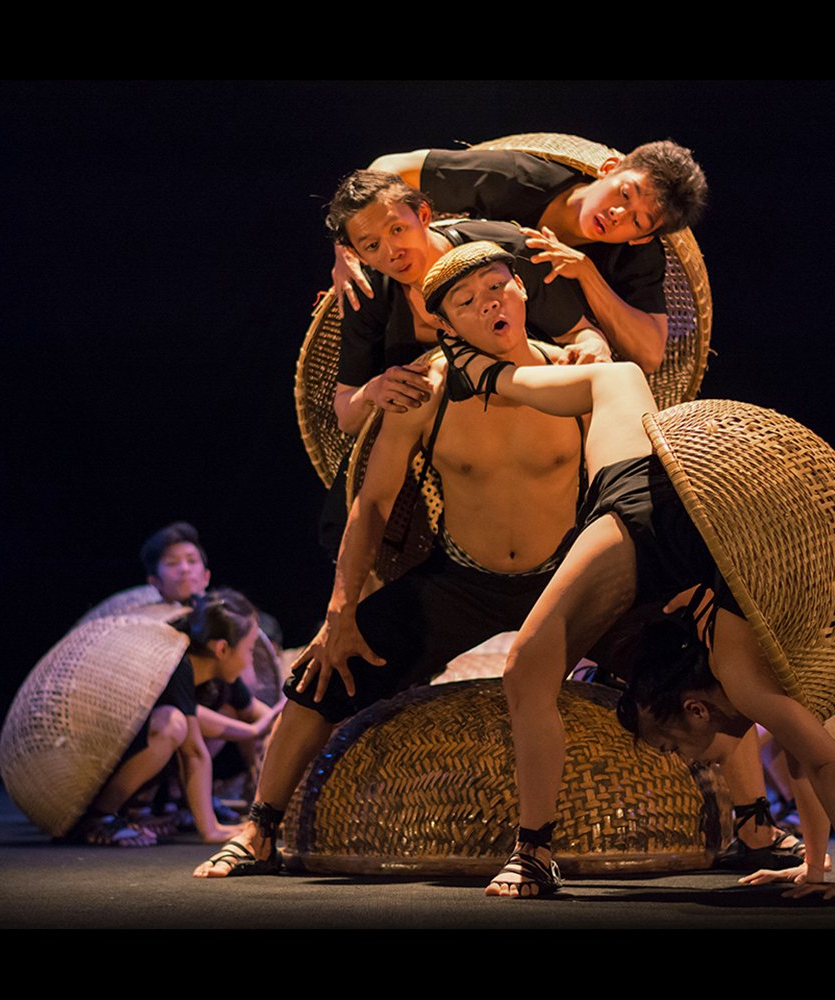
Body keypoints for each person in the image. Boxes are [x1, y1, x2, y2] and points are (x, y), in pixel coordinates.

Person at [419, 242, 835, 899]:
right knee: (616, 378)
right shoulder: (744, 683)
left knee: (616, 380)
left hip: (649, 510)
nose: (684, 760)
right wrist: (833, 871)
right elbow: (816, 761)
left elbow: (817, 761)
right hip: (653, 511)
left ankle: (533, 851)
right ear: (692, 704)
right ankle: (488, 375)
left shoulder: (744, 684)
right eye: (673, 747)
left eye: (670, 747)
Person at [193, 242, 589, 879]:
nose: (489, 303)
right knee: (321, 673)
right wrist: (340, 609)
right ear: (445, 323)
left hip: (566, 576)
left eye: (497, 286)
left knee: (697, 652)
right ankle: (260, 826)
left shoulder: (575, 374)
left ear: (521, 290)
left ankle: (753, 822)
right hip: (465, 578)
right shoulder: (425, 390)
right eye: (466, 300)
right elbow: (372, 505)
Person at [335, 140, 709, 374]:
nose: (618, 215)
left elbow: (649, 354)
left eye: (638, 220)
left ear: (643, 238)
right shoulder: (521, 179)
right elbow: (388, 168)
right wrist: (346, 245)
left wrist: (586, 274)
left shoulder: (638, 259)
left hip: (546, 354)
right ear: (609, 170)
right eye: (624, 194)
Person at [325, 169, 610, 437]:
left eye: (397, 229)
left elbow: (580, 333)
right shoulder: (366, 293)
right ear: (358, 255)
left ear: (423, 214)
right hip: (448, 440)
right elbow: (346, 415)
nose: (392, 252)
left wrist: (593, 346)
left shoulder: (506, 252)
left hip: (545, 414)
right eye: (372, 246)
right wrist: (373, 391)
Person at [66, 590, 272, 846]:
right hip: (95, 767)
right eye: (250, 649)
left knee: (194, 720)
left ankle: (162, 808)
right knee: (172, 723)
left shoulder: (214, 675)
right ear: (222, 648)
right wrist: (212, 831)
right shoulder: (178, 666)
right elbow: (194, 753)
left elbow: (257, 712)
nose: (251, 658)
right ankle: (99, 818)